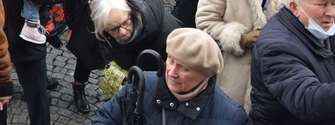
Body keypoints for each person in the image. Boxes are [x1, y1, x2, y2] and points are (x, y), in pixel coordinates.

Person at [94, 28, 247, 124]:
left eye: (183, 68)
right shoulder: (142, 83)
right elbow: (107, 117)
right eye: (171, 61)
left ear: (205, 75)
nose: (171, 72)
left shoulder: (232, 117)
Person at [88, 0, 180, 74]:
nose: (123, 32)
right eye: (113, 29)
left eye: (125, 23)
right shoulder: (104, 27)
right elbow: (104, 43)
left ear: (131, 12)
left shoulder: (170, 35)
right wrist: (114, 67)